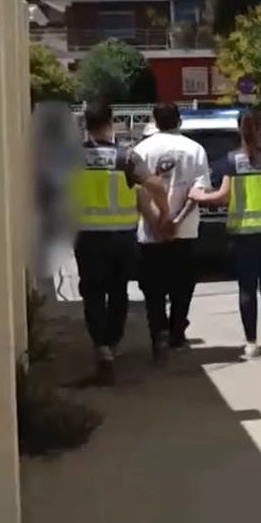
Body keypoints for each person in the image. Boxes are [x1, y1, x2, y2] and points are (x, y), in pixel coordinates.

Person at [73, 100, 171, 383]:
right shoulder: (126, 157)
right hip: (121, 238)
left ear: (86, 124)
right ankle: (113, 342)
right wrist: (164, 214)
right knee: (118, 292)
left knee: (92, 293)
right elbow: (155, 185)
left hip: (87, 237)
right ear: (111, 121)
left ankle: (102, 348)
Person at [190, 111, 261, 360]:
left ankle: (251, 342)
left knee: (248, 287)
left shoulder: (232, 160)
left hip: (244, 233)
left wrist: (199, 196)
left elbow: (222, 196)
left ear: (240, 130)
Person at [132, 102, 210, 361]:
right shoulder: (195, 149)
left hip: (150, 232)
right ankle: (177, 332)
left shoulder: (141, 150)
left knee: (153, 289)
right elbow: (198, 191)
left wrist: (156, 221)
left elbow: (138, 193)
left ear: (155, 122)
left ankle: (159, 334)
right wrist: (176, 220)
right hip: (184, 231)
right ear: (180, 120)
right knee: (182, 286)